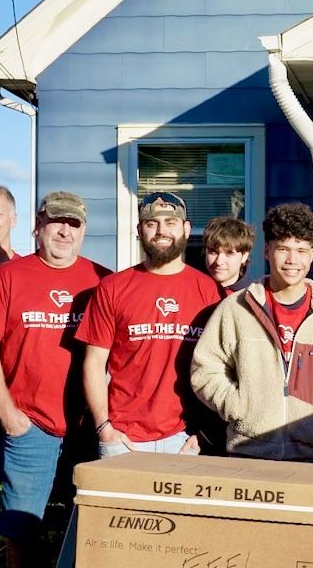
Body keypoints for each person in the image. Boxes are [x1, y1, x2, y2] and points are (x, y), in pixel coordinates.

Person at [0, 191, 107, 568]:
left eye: (74, 224)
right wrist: (8, 413)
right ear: (37, 226)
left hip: (86, 426)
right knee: (22, 523)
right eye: (55, 222)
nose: (64, 230)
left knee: (86, 523)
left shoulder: (102, 280)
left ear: (83, 231)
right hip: (31, 423)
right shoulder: (10, 277)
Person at [190, 202, 313, 462]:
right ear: (268, 251)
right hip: (247, 454)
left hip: (312, 456)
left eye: (302, 250)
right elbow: (205, 368)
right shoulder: (236, 308)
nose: (293, 260)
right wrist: (238, 406)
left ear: (312, 254)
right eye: (283, 249)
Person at [78, 192, 219, 457]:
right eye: (152, 223)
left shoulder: (209, 292)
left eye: (170, 222)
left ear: (186, 229)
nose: (161, 230)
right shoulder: (113, 288)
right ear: (139, 229)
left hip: (185, 439)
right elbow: (94, 363)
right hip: (123, 437)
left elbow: (224, 367)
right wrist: (104, 427)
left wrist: (205, 432)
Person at [202, 216, 253, 295]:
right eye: (213, 252)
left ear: (244, 256)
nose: (219, 261)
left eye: (229, 253)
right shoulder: (192, 290)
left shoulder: (255, 298)